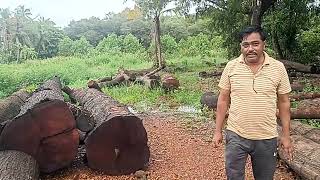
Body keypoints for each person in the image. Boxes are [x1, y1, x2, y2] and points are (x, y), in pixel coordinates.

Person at [213, 26, 293, 180]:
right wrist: (218, 131)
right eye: (245, 45)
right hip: (236, 135)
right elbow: (223, 100)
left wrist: (286, 135)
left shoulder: (278, 68)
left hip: (266, 137)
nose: (250, 49)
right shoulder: (231, 67)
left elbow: (284, 103)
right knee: (234, 176)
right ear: (241, 46)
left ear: (264, 44)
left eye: (255, 44)